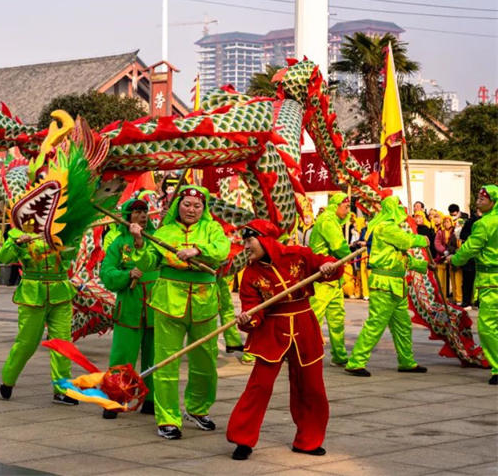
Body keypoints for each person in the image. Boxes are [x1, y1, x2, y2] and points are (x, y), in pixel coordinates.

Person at [226, 219, 341, 461]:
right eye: (244, 241)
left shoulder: (297, 255)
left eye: (249, 241)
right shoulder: (251, 273)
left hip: (304, 325)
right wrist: (247, 318)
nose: (246, 246)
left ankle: (308, 440)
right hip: (272, 331)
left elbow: (328, 267)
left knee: (311, 386)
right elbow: (252, 309)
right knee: (259, 385)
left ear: (264, 239)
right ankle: (243, 439)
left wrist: (330, 266)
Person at [130, 186, 230, 440]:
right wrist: (140, 241)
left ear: (204, 208)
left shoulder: (212, 229)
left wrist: (197, 250)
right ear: (178, 206)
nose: (192, 210)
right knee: (166, 363)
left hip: (204, 304)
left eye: (197, 206)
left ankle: (198, 408)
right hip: (167, 302)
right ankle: (167, 418)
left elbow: (222, 250)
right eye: (187, 204)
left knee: (206, 362)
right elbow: (145, 263)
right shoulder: (164, 232)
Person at [0, 217, 79, 405]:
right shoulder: (21, 229)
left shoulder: (63, 228)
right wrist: (16, 243)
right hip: (33, 293)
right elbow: (3, 257)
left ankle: (62, 390)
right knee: (27, 343)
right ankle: (8, 379)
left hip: (60, 291)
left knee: (63, 343)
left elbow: (70, 256)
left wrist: (68, 238)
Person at [345, 196, 429, 377]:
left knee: (402, 326)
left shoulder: (389, 227)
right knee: (375, 324)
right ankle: (356, 361)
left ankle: (406, 361)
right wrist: (422, 239)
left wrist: (423, 266)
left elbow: (401, 257)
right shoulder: (386, 227)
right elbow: (406, 242)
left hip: (397, 284)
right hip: (384, 283)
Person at [99, 198, 158, 419]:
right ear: (127, 217)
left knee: (155, 357)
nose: (142, 216)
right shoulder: (118, 243)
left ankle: (151, 400)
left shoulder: (156, 240)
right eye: (136, 212)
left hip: (156, 307)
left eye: (144, 211)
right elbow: (106, 272)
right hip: (129, 307)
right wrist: (126, 275)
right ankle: (114, 399)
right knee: (122, 356)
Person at [448, 186, 498, 385]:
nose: (478, 201)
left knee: (487, 327)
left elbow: (469, 248)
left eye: (482, 199)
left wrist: (455, 260)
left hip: (491, 281)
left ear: (493, 201)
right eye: (478, 197)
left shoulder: (484, 224)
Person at [308, 193, 353, 367]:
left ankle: (339, 355)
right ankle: (303, 352)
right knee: (313, 318)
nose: (348, 210)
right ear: (335, 206)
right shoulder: (327, 220)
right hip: (322, 278)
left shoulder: (333, 221)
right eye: (346, 206)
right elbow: (338, 245)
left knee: (337, 319)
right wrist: (349, 254)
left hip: (334, 279)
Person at [435, 215, 462, 303]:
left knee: (456, 279)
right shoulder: (440, 232)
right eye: (445, 222)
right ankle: (442, 297)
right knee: (441, 280)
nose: (446, 224)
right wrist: (444, 251)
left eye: (448, 221)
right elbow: (437, 243)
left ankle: (456, 298)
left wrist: (452, 251)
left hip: (453, 257)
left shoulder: (455, 231)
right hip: (442, 257)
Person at [459, 209, 482, 310]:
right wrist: (474, 238)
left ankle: (478, 301)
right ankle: (466, 301)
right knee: (467, 280)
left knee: (481, 282)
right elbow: (462, 235)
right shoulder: (470, 221)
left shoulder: (489, 221)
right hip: (469, 256)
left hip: (482, 257)